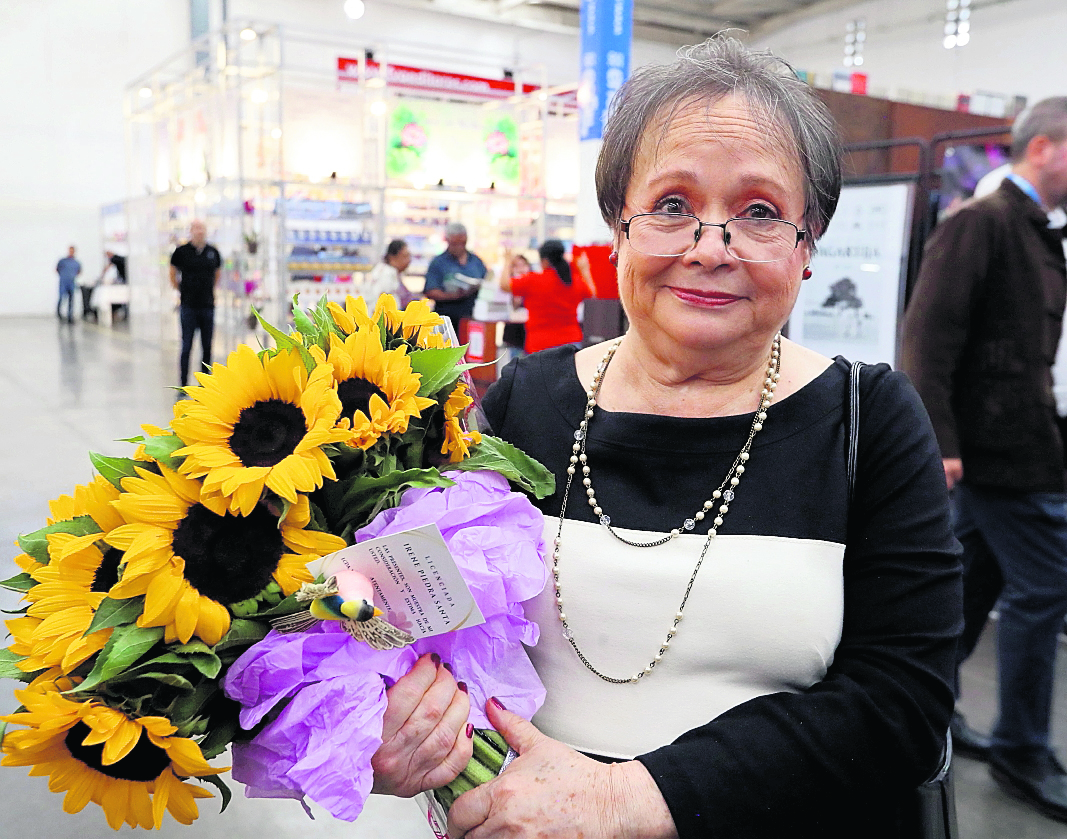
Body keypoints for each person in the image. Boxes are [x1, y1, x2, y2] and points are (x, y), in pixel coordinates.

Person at [369, 36, 961, 838]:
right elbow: (421, 623)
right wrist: (403, 717)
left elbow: (903, 704)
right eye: (672, 205)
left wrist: (626, 800)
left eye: (759, 212)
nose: (709, 247)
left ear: (807, 244)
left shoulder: (868, 420)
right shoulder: (521, 406)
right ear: (617, 226)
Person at [901, 97, 1067, 822]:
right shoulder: (983, 221)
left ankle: (928, 711)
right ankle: (1021, 749)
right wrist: (939, 442)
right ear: (1045, 147)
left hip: (1016, 442)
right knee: (1045, 585)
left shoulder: (1032, 228)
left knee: (971, 587)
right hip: (998, 451)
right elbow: (926, 336)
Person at [500, 240, 594, 353]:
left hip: (540, 345)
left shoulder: (533, 280)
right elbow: (592, 294)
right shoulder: (573, 281)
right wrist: (585, 270)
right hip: (571, 342)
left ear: (544, 261)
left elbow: (504, 285)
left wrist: (507, 261)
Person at [170, 220, 222, 388]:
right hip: (188, 306)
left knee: (207, 347)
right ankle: (183, 385)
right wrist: (181, 290)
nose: (199, 232)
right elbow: (172, 273)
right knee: (186, 346)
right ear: (191, 231)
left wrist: (210, 289)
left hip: (207, 306)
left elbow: (217, 274)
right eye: (196, 228)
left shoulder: (213, 252)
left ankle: (205, 386)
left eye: (202, 228)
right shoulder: (181, 252)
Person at [423, 222, 487, 334]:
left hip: (472, 317)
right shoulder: (438, 263)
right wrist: (455, 295)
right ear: (447, 241)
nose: (459, 247)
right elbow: (430, 291)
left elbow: (487, 282)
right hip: (447, 318)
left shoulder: (476, 261)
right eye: (454, 244)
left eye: (462, 243)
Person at [363, 239, 416, 308]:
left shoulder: (386, 270)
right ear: (392, 257)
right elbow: (381, 299)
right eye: (405, 256)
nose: (409, 261)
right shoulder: (387, 273)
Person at [56, 246, 80, 324]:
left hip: (71, 282)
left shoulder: (76, 262)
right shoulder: (63, 261)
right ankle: (59, 313)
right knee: (61, 298)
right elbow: (57, 269)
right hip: (63, 282)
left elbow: (78, 271)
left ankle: (70, 316)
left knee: (71, 299)